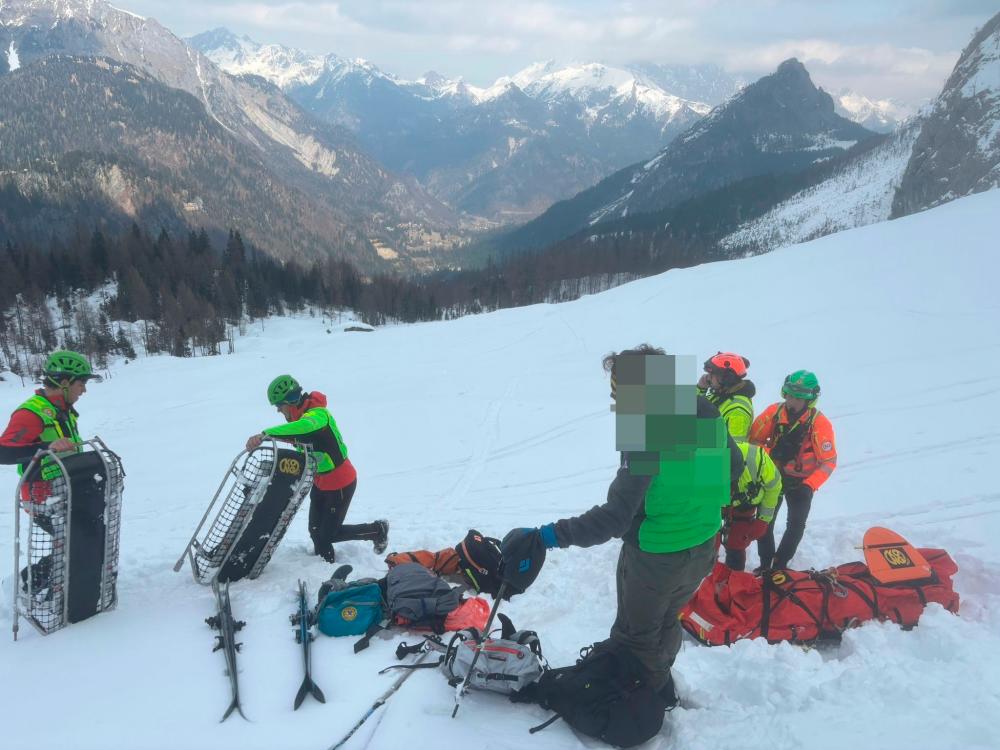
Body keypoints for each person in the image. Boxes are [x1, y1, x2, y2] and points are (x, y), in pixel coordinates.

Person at [502, 345, 743, 708]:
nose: (617, 400)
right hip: (705, 543)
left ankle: (648, 700)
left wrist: (547, 536)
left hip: (658, 555)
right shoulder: (704, 409)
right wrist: (688, 494)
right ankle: (658, 685)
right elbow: (733, 469)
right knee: (666, 620)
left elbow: (615, 517)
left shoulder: (646, 427)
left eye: (618, 391)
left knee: (637, 636)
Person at [246, 375, 387, 563]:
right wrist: (266, 439)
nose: (279, 410)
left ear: (291, 401)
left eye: (280, 405)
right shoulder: (298, 423)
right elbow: (295, 435)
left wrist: (267, 433)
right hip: (320, 482)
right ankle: (322, 567)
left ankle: (377, 530)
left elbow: (307, 427)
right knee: (315, 531)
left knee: (328, 535)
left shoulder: (318, 415)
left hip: (340, 483)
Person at [0, 350, 102, 593]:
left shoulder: (61, 409)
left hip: (66, 488)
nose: (83, 390)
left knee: (80, 538)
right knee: (74, 540)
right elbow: (3, 451)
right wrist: (45, 447)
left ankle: (66, 584)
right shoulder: (31, 412)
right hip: (42, 495)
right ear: (64, 382)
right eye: (81, 383)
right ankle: (25, 585)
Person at [749, 370, 837, 571]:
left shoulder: (819, 423)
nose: (792, 401)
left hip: (802, 484)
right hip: (773, 478)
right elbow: (753, 442)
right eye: (789, 395)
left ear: (809, 399)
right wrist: (772, 451)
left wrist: (809, 486)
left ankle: (780, 565)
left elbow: (829, 461)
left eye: (798, 397)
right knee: (765, 522)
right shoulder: (773, 413)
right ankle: (764, 565)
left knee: (796, 526)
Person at [721, 441, 781, 571]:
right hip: (715, 504)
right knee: (706, 543)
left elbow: (774, 486)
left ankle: (735, 579)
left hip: (745, 505)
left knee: (736, 541)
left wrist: (763, 520)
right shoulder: (703, 463)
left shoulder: (757, 460)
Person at [697, 352, 755, 442]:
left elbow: (733, 451)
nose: (708, 378)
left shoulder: (738, 411)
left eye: (712, 375)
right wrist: (700, 389)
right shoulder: (720, 394)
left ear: (727, 378)